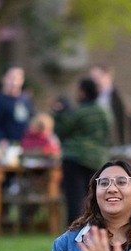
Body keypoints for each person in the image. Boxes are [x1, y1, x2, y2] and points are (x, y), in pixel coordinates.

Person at [55, 78, 111, 225]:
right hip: (98, 159)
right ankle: (96, 230)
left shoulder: (79, 112)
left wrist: (59, 114)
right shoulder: (104, 112)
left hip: (75, 158)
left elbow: (63, 131)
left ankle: (75, 232)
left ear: (83, 92)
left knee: (75, 199)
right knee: (95, 198)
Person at [0, 66, 33, 148]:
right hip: (5, 146)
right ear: (3, 79)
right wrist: (0, 139)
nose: (14, 83)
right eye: (11, 78)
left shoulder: (25, 99)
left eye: (18, 79)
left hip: (24, 144)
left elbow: (31, 119)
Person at [90, 63, 131, 146]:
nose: (94, 80)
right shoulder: (93, 96)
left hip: (111, 142)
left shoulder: (117, 97)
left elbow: (123, 122)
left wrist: (123, 144)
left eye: (96, 77)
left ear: (107, 76)